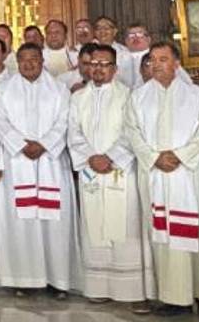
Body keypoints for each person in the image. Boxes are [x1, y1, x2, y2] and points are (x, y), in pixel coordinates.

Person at [125, 42, 199, 319]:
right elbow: (132, 132)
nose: (156, 64)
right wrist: (154, 157)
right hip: (155, 175)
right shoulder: (138, 97)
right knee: (164, 237)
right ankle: (174, 298)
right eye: (152, 60)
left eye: (163, 59)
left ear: (177, 63)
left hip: (189, 176)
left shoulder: (196, 95)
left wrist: (181, 156)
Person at [69, 45, 153, 311]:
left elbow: (133, 132)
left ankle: (133, 290)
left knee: (126, 228)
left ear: (115, 69)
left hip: (121, 172)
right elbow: (73, 132)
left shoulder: (129, 96)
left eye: (104, 64)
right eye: (93, 63)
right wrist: (91, 157)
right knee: (96, 228)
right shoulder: (77, 98)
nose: (98, 69)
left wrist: (112, 157)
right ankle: (99, 286)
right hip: (91, 171)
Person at [0, 43, 79, 298]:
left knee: (54, 224)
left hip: (50, 164)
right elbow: (0, 121)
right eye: (23, 60)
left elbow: (65, 121)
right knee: (22, 224)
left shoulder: (59, 90)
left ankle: (57, 280)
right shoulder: (5, 90)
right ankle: (24, 278)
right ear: (17, 62)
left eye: (33, 59)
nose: (29, 64)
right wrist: (21, 145)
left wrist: (43, 144)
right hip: (18, 164)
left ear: (42, 61)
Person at [117, 23, 153, 90]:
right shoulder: (117, 58)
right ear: (126, 41)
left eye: (140, 34)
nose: (135, 38)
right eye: (131, 35)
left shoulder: (157, 56)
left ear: (148, 39)